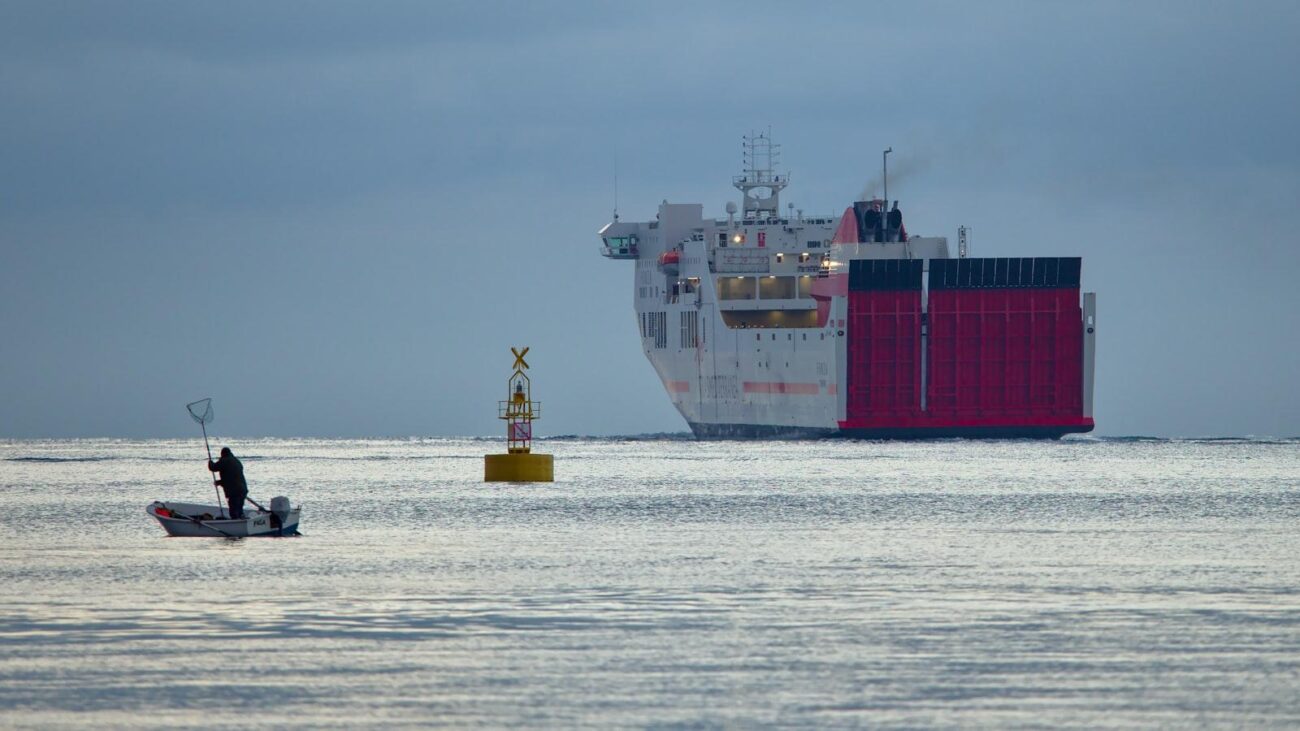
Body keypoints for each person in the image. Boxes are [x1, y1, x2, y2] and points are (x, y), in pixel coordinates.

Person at [208, 447, 248, 520]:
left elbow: (213, 467)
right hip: (243, 489)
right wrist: (220, 482)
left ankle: (236, 525)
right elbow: (231, 477)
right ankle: (241, 520)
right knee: (239, 509)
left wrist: (210, 462)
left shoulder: (225, 460)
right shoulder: (237, 461)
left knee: (233, 511)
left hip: (234, 492)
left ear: (223, 454)